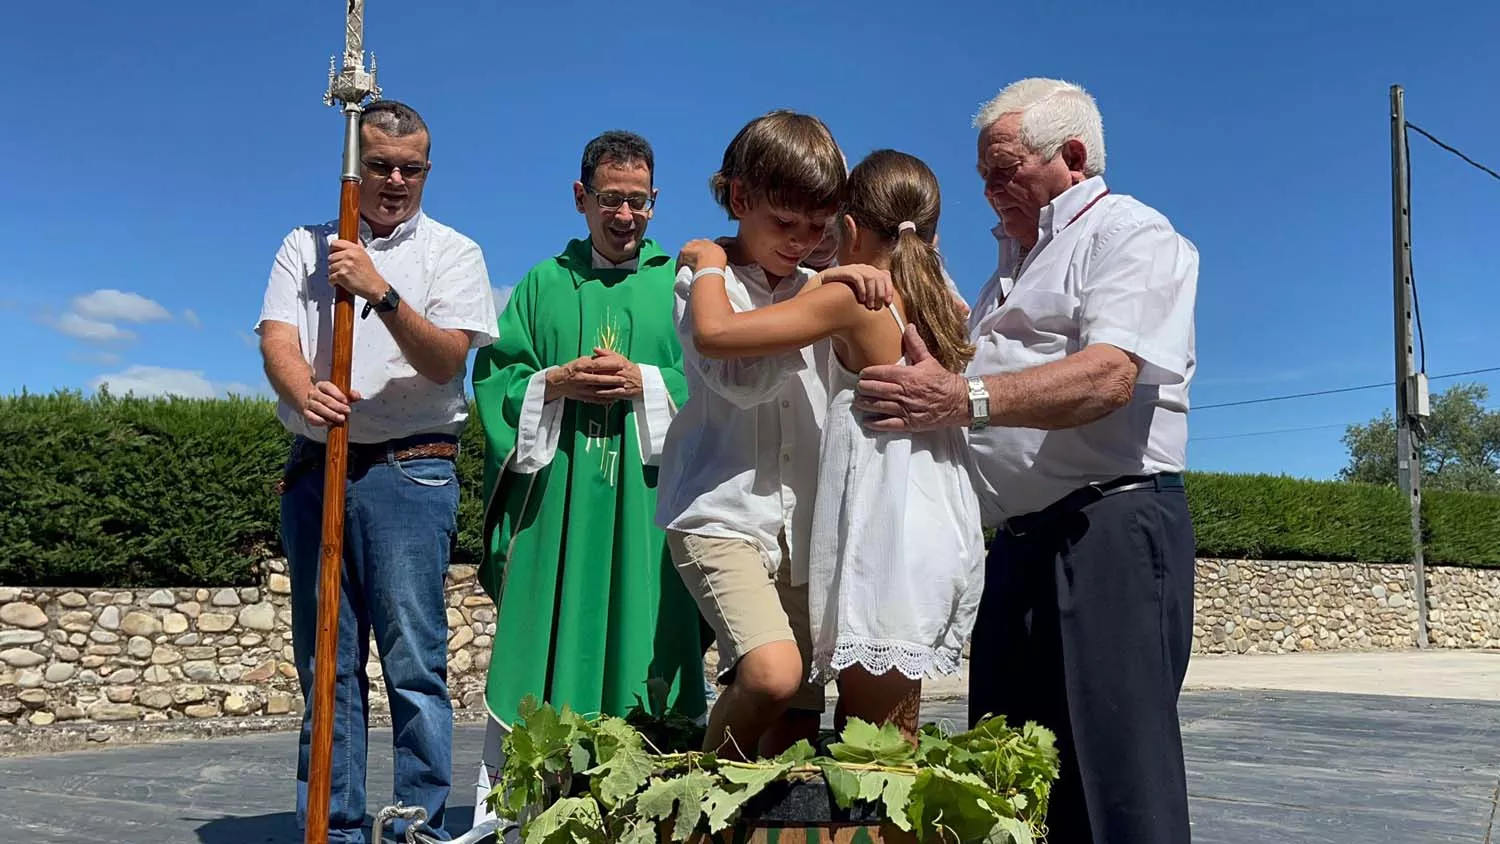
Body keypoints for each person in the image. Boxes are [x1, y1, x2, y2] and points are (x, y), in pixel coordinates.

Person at [854, 78, 1199, 843]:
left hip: (1104, 532)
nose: (986, 192)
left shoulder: (1129, 235)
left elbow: (1111, 375)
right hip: (1019, 547)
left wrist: (962, 399)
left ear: (1071, 156)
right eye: (980, 175)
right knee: (1011, 776)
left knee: (1117, 778)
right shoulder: (1010, 270)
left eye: (1002, 170)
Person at [677, 149, 985, 741]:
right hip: (936, 518)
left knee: (873, 746)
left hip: (884, 526)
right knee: (892, 726)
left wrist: (710, 262)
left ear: (848, 227)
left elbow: (716, 334)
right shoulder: (938, 299)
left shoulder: (855, 299)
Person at [256, 99, 498, 844]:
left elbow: (447, 358)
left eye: (410, 167)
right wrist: (304, 389)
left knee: (414, 667)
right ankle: (331, 827)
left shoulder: (453, 253)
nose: (394, 180)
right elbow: (277, 339)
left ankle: (415, 827)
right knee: (325, 664)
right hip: (317, 467)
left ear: (428, 169)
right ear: (355, 167)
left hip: (411, 472)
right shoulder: (305, 244)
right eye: (380, 165)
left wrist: (380, 292)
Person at [469, 130, 707, 781]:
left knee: (650, 655)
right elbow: (495, 381)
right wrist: (552, 384)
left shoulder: (682, 289)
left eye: (639, 202)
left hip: (650, 511)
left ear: (655, 200)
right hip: (560, 516)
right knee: (541, 669)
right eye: (610, 200)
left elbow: (720, 386)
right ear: (581, 197)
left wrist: (649, 384)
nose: (625, 216)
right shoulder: (542, 286)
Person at [656, 110, 889, 760]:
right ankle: (697, 810)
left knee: (796, 724)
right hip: (721, 512)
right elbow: (740, 378)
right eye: (784, 224)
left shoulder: (827, 287)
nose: (800, 241)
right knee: (770, 673)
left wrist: (849, 289)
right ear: (739, 197)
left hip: (809, 526)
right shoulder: (705, 279)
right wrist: (828, 303)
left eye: (818, 227)